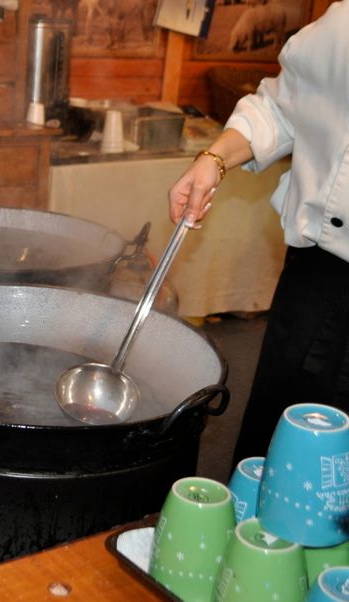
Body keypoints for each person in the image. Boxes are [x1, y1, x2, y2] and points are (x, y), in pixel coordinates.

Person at [168, 0, 349, 468]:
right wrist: (213, 160)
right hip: (319, 281)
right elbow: (281, 108)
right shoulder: (343, 25)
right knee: (279, 440)